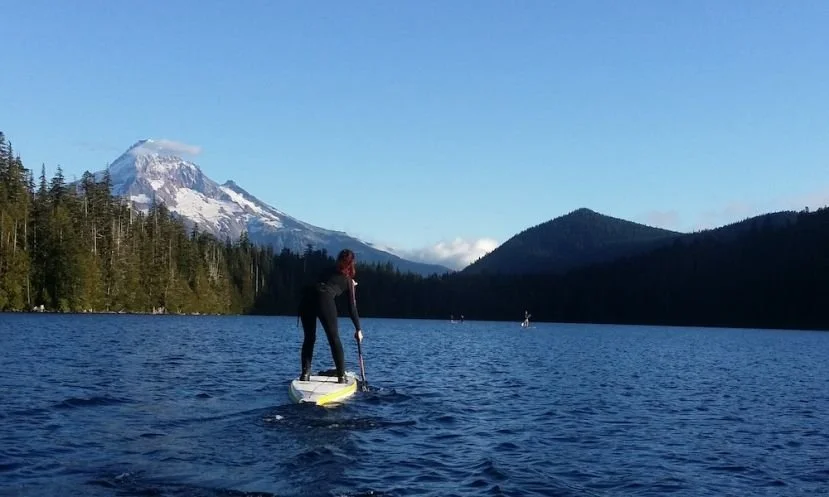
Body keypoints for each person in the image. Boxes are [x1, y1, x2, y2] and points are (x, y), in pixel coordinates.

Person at [297, 249, 363, 383]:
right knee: (334, 339)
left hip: (307, 299)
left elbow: (319, 281)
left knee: (309, 338)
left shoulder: (327, 270)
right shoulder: (348, 281)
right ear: (351, 264)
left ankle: (305, 374)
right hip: (324, 299)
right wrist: (358, 329)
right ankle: (341, 377)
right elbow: (352, 308)